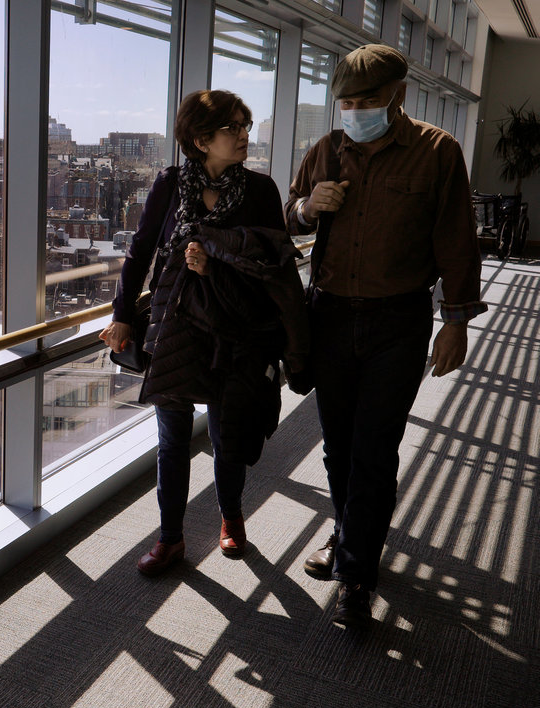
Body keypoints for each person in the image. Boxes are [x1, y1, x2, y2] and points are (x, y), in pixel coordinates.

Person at [285, 44, 486, 627]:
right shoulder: (326, 150)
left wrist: (455, 323)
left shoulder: (436, 152)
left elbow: (457, 242)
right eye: (345, 102)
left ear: (398, 94)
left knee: (374, 449)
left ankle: (355, 575)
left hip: (398, 322)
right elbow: (286, 217)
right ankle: (349, 532)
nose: (354, 111)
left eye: (366, 100)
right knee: (338, 446)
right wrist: (307, 207)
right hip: (329, 317)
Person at [101, 89, 309, 578]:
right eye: (231, 127)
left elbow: (271, 264)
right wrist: (122, 313)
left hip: (233, 328)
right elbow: (140, 251)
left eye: (245, 125)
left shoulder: (260, 190)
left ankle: (231, 517)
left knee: (226, 433)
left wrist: (214, 262)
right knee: (172, 439)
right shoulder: (170, 184)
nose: (243, 135)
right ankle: (170, 538)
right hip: (175, 325)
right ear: (200, 139)